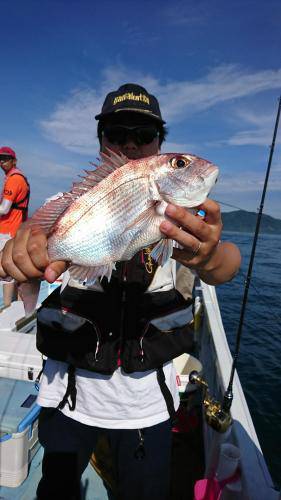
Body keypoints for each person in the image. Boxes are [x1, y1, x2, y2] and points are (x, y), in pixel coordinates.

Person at [0, 84, 241, 500]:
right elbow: (30, 236)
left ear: (158, 142)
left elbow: (226, 261)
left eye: (144, 135)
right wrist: (20, 251)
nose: (130, 143)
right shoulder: (72, 201)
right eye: (116, 133)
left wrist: (207, 257)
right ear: (101, 141)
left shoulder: (182, 214)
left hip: (147, 408)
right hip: (67, 398)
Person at [0, 146, 30, 307]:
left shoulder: (14, 180)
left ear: (14, 161)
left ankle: (6, 310)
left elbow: (4, 209)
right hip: (15, 230)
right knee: (14, 271)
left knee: (5, 272)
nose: (2, 162)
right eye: (0, 159)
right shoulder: (19, 178)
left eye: (5, 158)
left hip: (7, 231)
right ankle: (18, 308)